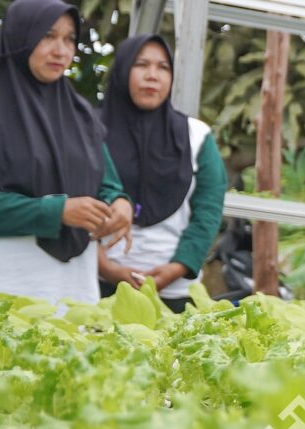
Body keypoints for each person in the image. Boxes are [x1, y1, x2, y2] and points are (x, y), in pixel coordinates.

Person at [0, 0, 132, 305]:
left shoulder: (79, 114)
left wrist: (120, 203)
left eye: (70, 39)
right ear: (20, 37)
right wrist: (56, 211)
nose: (61, 50)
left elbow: (107, 180)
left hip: (69, 282)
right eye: (48, 36)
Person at [96, 34, 227, 313]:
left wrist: (178, 267)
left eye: (163, 67)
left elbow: (208, 210)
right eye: (141, 65)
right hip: (96, 286)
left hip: (174, 290)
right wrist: (104, 266)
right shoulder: (89, 131)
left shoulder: (197, 136)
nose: (152, 76)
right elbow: (71, 198)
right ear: (122, 71)